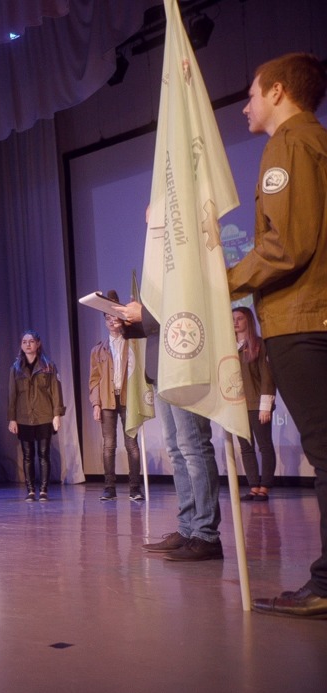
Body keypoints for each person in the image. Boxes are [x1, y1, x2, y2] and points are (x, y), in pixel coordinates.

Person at [227, 52, 327, 616]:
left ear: (279, 91)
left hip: (300, 321)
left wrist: (222, 281)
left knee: (325, 454)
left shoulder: (287, 146)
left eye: (252, 94)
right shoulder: (320, 141)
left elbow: (286, 244)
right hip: (318, 315)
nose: (246, 106)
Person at [122, 303, 224, 562]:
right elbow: (157, 326)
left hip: (183, 363)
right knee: (176, 450)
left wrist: (144, 314)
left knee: (193, 446)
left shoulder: (179, 275)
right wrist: (130, 323)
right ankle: (188, 528)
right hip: (161, 368)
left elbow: (187, 307)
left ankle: (206, 534)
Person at [88, 290, 145, 502]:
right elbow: (94, 379)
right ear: (105, 322)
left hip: (128, 400)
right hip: (107, 401)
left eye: (115, 317)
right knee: (109, 445)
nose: (112, 321)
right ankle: (109, 488)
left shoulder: (132, 343)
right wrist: (96, 403)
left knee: (132, 445)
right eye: (108, 318)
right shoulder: (98, 350)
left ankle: (135, 488)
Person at [8, 331, 65, 501]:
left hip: (44, 416)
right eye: (24, 342)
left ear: (38, 344)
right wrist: (12, 418)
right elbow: (12, 395)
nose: (28, 344)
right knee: (27, 455)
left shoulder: (48, 366)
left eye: (31, 341)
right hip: (24, 417)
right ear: (21, 345)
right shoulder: (16, 368)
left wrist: (57, 415)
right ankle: (31, 490)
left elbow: (56, 391)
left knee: (44, 454)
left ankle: (43, 490)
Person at [232, 306, 277, 502]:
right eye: (233, 319)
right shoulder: (230, 348)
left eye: (240, 318)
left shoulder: (258, 344)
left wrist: (266, 405)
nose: (235, 322)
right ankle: (253, 486)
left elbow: (267, 376)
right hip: (238, 406)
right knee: (246, 448)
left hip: (257, 403)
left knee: (264, 446)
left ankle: (264, 486)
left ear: (248, 320)